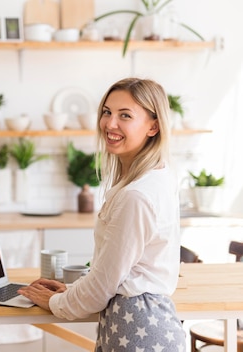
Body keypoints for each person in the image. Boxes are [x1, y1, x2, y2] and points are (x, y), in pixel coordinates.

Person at [18, 78, 185, 351]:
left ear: (153, 126)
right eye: (107, 112)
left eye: (125, 116)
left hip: (137, 330)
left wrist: (55, 302)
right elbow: (117, 274)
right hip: (141, 325)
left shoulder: (137, 195)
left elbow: (104, 285)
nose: (110, 124)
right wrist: (71, 291)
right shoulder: (157, 176)